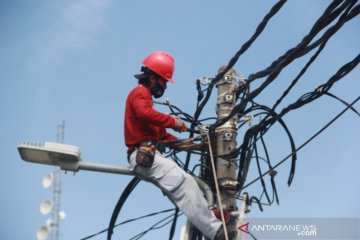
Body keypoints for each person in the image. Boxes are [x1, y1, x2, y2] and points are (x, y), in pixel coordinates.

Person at [124, 51, 236, 239]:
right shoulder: (139, 93)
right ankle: (215, 231)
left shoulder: (146, 101)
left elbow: (161, 135)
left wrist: (190, 144)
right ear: (152, 78)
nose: (165, 86)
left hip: (150, 154)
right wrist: (172, 121)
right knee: (184, 184)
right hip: (141, 154)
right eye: (163, 81)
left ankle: (208, 218)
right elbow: (145, 113)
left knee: (190, 183)